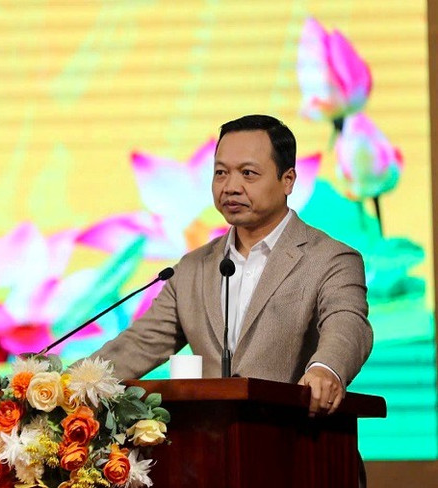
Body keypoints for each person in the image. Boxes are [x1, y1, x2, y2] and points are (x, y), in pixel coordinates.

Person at [90, 114, 373, 418]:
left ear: (288, 180)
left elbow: (348, 324)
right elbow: (139, 344)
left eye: (248, 174)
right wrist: (69, 383)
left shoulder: (331, 259)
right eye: (221, 173)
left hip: (295, 438)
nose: (231, 187)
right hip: (210, 440)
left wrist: (326, 368)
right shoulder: (192, 268)